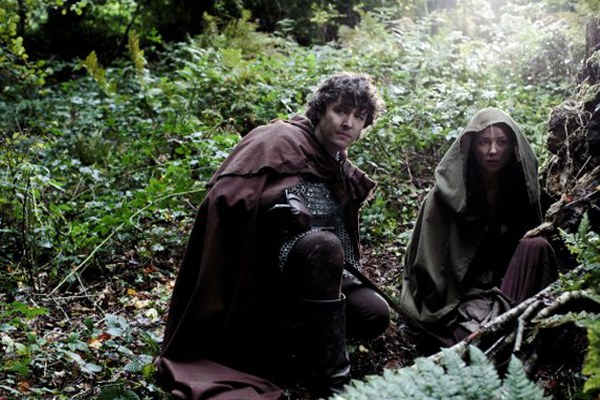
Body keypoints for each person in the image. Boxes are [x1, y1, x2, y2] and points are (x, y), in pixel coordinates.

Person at [156, 72, 390, 399]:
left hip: (319, 280)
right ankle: (333, 386)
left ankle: (300, 345)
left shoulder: (337, 163)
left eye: (359, 116)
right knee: (323, 245)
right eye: (340, 111)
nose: (348, 123)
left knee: (374, 315)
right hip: (262, 282)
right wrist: (278, 203)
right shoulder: (276, 140)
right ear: (321, 110)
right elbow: (225, 200)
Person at [400, 107, 559, 347]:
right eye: (484, 142)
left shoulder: (518, 193)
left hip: (506, 288)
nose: (493, 151)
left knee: (537, 246)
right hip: (460, 299)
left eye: (501, 142)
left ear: (513, 146)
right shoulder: (442, 199)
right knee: (466, 340)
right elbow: (426, 269)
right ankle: (494, 335)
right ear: (472, 146)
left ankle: (513, 330)